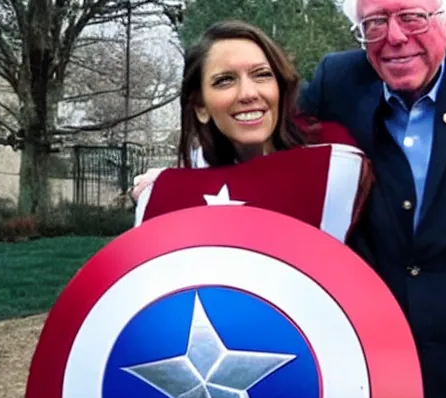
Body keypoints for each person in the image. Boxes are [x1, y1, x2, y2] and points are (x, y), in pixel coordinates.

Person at [299, 0, 446, 398]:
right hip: (373, 359)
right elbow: (267, 149)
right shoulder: (338, 81)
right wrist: (184, 178)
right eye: (374, 23)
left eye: (412, 17)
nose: (393, 37)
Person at [133, 20, 372, 244]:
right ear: (201, 106)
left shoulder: (335, 159)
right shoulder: (189, 175)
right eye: (225, 81)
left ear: (280, 87)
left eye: (262, 75)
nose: (248, 93)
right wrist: (164, 189)